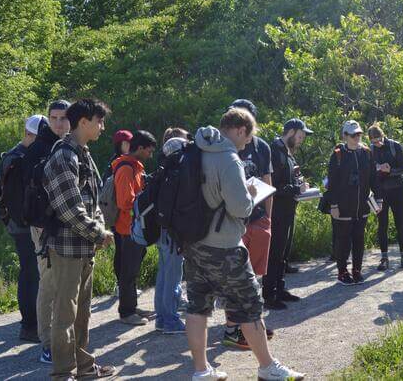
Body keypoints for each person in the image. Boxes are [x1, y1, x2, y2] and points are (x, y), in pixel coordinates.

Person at [185, 107, 304, 380]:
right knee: (251, 305)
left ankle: (201, 370)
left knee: (197, 307)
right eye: (248, 137)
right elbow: (240, 209)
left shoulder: (198, 149)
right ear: (239, 130)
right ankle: (267, 367)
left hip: (195, 244)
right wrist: (251, 194)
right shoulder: (227, 158)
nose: (248, 143)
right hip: (226, 245)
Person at [42, 99, 115, 380]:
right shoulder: (64, 156)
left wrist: (98, 230)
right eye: (99, 121)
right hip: (67, 248)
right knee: (64, 315)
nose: (102, 127)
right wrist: (99, 233)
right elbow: (69, 208)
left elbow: (93, 201)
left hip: (85, 247)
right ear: (83, 121)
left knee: (82, 313)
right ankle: (63, 373)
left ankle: (83, 367)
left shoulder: (82, 152)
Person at [222, 99, 276, 348]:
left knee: (257, 275)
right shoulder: (223, 148)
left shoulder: (261, 147)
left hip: (257, 219)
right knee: (235, 278)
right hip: (234, 223)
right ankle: (232, 327)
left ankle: (255, 324)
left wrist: (268, 219)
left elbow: (267, 180)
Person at [25, 99, 71, 364]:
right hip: (43, 227)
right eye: (53, 117)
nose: (58, 122)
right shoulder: (39, 148)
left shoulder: (68, 146)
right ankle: (47, 344)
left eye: (63, 118)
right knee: (49, 283)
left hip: (64, 225)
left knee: (64, 284)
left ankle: (62, 339)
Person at [0, 114, 44, 343]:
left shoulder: (12, 156)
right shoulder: (19, 158)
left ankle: (33, 323)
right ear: (28, 134)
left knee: (31, 272)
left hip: (19, 223)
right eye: (39, 136)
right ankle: (29, 326)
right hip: (24, 225)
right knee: (30, 273)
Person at [263, 118, 313, 310]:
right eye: (300, 136)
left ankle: (279, 288)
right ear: (291, 132)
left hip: (288, 211)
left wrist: (299, 186)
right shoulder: (275, 151)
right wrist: (296, 189)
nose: (301, 140)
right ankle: (269, 294)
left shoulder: (288, 154)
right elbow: (272, 186)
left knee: (283, 253)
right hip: (276, 212)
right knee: (274, 253)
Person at [112, 130, 157, 325]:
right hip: (127, 229)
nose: (150, 155)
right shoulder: (125, 169)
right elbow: (125, 202)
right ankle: (127, 312)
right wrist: (147, 201)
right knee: (127, 272)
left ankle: (132, 306)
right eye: (149, 151)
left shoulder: (135, 166)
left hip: (135, 228)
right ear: (139, 148)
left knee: (132, 271)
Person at [327, 120, 379, 286]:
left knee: (359, 239)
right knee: (343, 241)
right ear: (345, 136)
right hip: (343, 206)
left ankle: (357, 270)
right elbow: (332, 183)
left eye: (359, 134)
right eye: (352, 134)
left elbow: (373, 178)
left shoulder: (366, 153)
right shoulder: (337, 155)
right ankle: (342, 272)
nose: (356, 137)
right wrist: (333, 205)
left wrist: (379, 199)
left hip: (361, 206)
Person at [154, 128, 190, 334]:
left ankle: (161, 318)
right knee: (173, 277)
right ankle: (169, 320)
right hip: (174, 232)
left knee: (164, 275)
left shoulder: (163, 168)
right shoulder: (177, 171)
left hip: (162, 229)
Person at [367, 124, 403, 271]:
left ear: (383, 135)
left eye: (378, 139)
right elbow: (369, 172)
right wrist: (377, 168)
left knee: (400, 223)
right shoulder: (370, 150)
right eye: (373, 141)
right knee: (382, 225)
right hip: (380, 192)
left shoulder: (395, 146)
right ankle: (384, 258)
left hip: (397, 190)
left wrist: (390, 170)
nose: (377, 143)